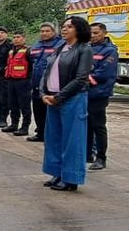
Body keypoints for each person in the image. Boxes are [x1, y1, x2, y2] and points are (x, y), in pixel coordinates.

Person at [40, 17, 93, 191]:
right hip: (53, 98)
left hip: (72, 99)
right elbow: (46, 72)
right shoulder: (59, 48)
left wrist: (60, 97)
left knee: (73, 140)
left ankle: (71, 178)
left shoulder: (84, 49)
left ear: (79, 29)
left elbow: (80, 78)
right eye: (63, 27)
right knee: (54, 138)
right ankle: (57, 172)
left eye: (69, 27)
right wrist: (43, 93)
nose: (64, 30)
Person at [86, 22, 118, 170]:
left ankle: (101, 158)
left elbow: (104, 73)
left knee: (98, 126)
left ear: (104, 33)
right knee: (86, 125)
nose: (93, 36)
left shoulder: (109, 51)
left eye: (96, 33)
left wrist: (84, 79)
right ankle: (87, 154)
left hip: (99, 93)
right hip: (85, 93)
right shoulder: (87, 48)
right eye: (91, 33)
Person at [27, 22, 64, 142]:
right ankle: (40, 133)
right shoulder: (37, 45)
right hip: (37, 83)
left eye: (47, 31)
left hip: (51, 86)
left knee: (51, 112)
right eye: (42, 31)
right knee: (38, 111)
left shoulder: (60, 44)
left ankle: (52, 136)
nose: (44, 33)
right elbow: (31, 61)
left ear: (54, 32)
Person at [1, 31, 33, 136]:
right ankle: (14, 124)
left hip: (23, 81)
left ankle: (25, 127)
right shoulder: (11, 51)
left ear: (24, 38)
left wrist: (30, 80)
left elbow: (32, 67)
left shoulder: (28, 51)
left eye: (18, 37)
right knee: (12, 104)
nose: (16, 39)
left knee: (24, 105)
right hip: (11, 81)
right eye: (14, 37)